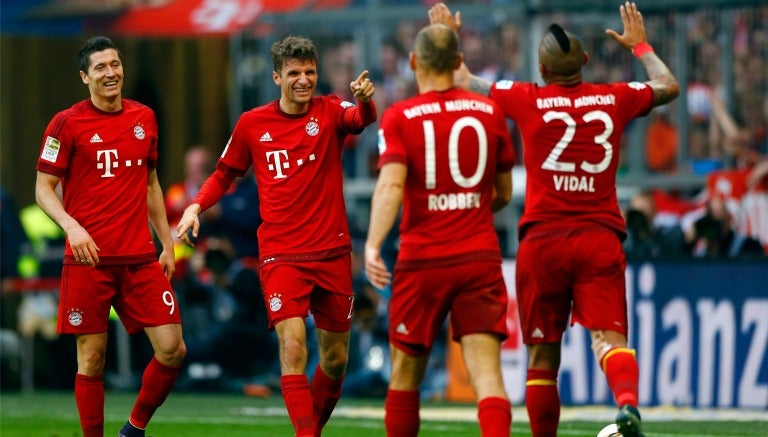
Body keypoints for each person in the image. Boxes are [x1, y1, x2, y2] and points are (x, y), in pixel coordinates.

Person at [429, 3, 680, 437]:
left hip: (543, 242)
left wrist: (448, 38)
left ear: (541, 68)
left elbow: (462, 80)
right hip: (599, 238)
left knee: (543, 357)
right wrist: (639, 44)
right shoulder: (615, 97)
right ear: (584, 62)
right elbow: (668, 85)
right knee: (609, 341)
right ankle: (627, 406)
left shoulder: (526, 98)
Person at [176, 35, 377, 437]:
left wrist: (366, 99)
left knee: (335, 359)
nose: (304, 80)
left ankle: (310, 428)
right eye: (294, 73)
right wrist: (196, 205)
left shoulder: (332, 109)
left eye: (310, 72)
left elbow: (361, 120)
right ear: (276, 76)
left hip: (332, 252)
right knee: (293, 347)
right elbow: (224, 173)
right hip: (282, 255)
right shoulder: (253, 123)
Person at [364, 23, 515, 437]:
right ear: (458, 62)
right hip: (478, 255)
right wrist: (468, 207)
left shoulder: (399, 117)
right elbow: (502, 192)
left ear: (413, 62)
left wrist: (374, 245)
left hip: (422, 260)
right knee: (488, 379)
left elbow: (392, 184)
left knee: (405, 377)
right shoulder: (491, 113)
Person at [34, 35, 186, 437]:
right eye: (100, 67)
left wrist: (166, 242)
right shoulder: (66, 123)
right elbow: (43, 188)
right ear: (85, 76)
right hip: (88, 261)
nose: (110, 73)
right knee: (92, 358)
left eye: (115, 64)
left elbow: (152, 184)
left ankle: (133, 429)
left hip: (139, 258)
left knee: (172, 349)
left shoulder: (144, 118)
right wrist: (71, 226)